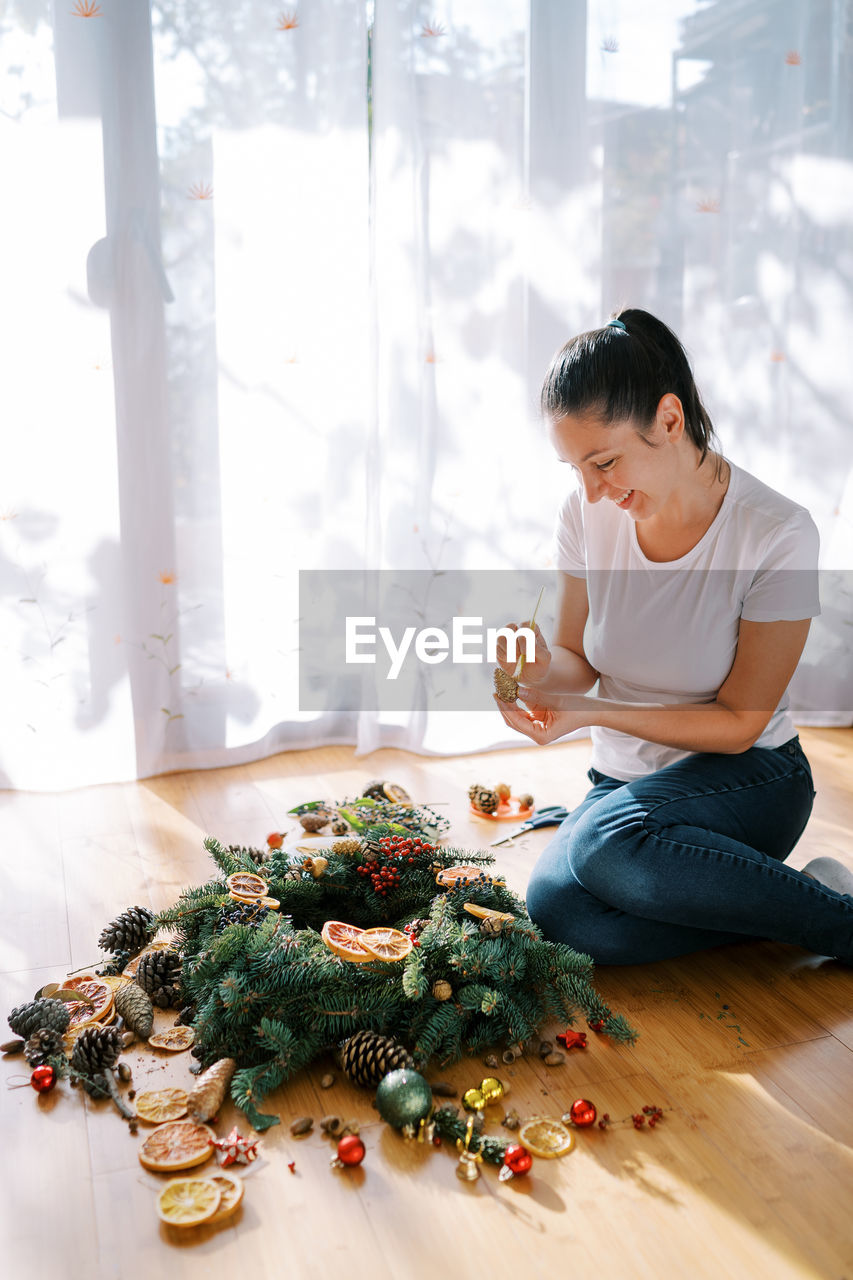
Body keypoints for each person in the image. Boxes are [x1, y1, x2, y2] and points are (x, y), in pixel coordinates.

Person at [494, 308, 853, 966]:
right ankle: (796, 901)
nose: (591, 490)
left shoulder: (776, 532)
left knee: (604, 845)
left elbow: (740, 723)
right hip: (625, 786)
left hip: (749, 779)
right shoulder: (584, 512)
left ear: (667, 419)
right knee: (559, 912)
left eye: (602, 461)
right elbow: (574, 660)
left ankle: (841, 924)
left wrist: (589, 711)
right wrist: (539, 670)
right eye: (573, 467)